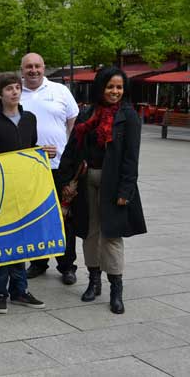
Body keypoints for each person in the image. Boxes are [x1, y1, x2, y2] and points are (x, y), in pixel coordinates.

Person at [57, 67, 146, 314]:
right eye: (110, 87)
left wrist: (126, 191)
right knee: (90, 233)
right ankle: (93, 281)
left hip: (114, 185)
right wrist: (66, 181)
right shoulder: (87, 113)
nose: (115, 91)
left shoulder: (128, 116)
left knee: (112, 236)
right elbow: (72, 149)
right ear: (100, 87)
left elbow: (131, 157)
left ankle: (116, 289)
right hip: (86, 181)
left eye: (119, 87)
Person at [0, 72, 54, 314]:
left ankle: (19, 290)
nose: (14, 92)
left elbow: (29, 149)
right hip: (0, 191)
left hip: (24, 190)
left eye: (17, 88)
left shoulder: (30, 119)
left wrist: (42, 152)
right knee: (2, 240)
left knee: (21, 240)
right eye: (9, 88)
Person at [20, 52, 79, 285]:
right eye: (28, 67)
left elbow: (74, 123)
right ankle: (38, 262)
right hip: (29, 169)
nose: (33, 70)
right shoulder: (16, 93)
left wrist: (73, 155)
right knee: (36, 217)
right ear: (21, 70)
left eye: (37, 66)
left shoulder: (60, 91)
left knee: (65, 217)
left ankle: (67, 265)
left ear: (44, 67)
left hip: (60, 166)